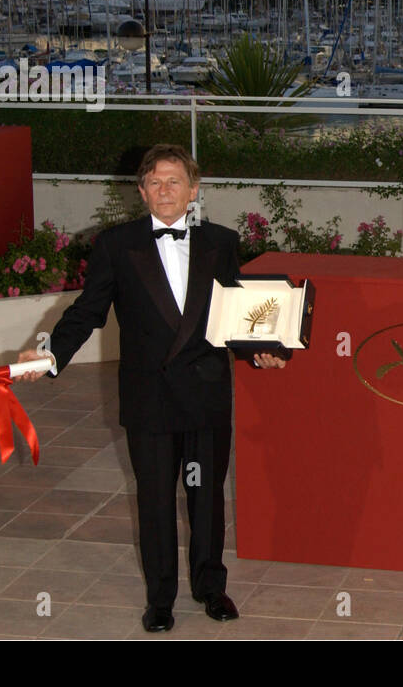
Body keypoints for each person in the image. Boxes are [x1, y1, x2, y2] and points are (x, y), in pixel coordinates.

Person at [17, 143, 284, 633]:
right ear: (142, 192)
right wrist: (50, 352)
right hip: (151, 399)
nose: (165, 190)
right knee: (156, 501)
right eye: (156, 182)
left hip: (205, 393)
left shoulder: (221, 243)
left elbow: (236, 313)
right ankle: (160, 598)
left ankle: (211, 587)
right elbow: (87, 312)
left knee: (206, 499)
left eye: (175, 181)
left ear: (193, 190)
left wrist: (258, 351)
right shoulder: (117, 246)